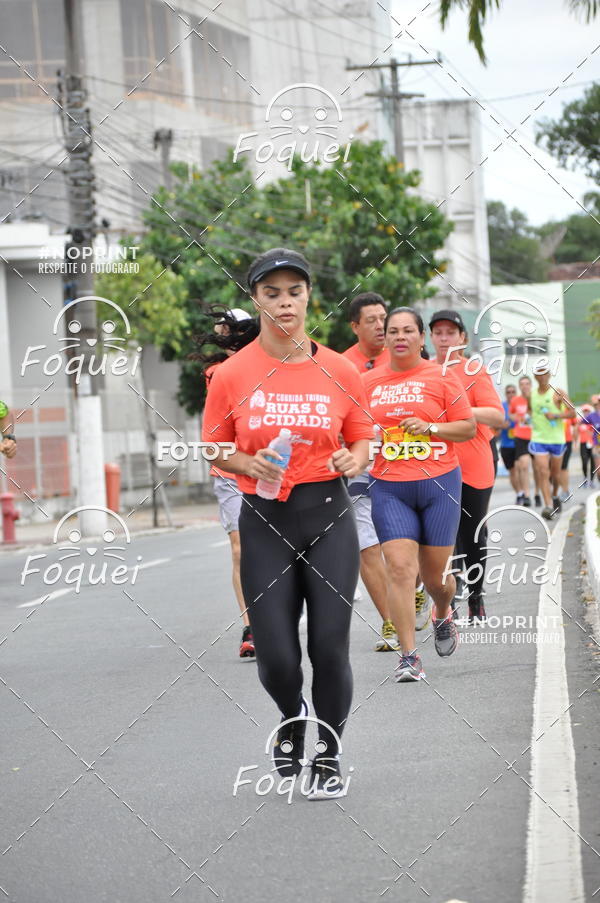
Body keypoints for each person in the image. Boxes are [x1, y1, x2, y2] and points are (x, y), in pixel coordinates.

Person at [202, 248, 373, 797]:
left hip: (328, 516)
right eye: (271, 293)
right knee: (276, 653)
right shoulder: (232, 374)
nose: (284, 302)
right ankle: (292, 713)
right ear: (256, 299)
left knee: (329, 645)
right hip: (264, 518)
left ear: (308, 297)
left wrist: (357, 457)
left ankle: (327, 752)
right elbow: (213, 444)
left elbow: (362, 433)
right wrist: (244, 461)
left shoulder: (340, 370)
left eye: (293, 292)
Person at [362, 307, 476, 682]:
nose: (399, 337)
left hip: (439, 483)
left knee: (435, 580)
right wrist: (368, 438)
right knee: (399, 568)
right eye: (392, 331)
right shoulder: (368, 382)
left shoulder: (441, 377)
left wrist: (431, 427)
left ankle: (443, 612)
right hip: (390, 485)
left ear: (421, 337)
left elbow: (468, 428)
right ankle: (408, 655)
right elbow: (353, 429)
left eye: (407, 330)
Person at [429, 311, 504, 623]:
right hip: (433, 463)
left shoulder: (473, 370)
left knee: (473, 533)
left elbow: (497, 417)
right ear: (430, 337)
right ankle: (448, 595)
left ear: (462, 338)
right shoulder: (424, 371)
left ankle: (476, 595)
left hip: (473, 463)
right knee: (439, 533)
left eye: (451, 332)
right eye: (438, 332)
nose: (444, 338)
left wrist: (463, 409)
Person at [201, 307, 258, 659]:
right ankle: (251, 625)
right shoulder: (215, 373)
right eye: (220, 330)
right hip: (228, 469)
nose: (223, 335)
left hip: (267, 466)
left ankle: (279, 611)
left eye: (230, 329)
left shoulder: (269, 364)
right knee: (240, 547)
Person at [528, 363, 574, 520]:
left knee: (555, 474)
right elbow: (530, 412)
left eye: (544, 373)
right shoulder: (531, 395)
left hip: (557, 440)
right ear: (535, 376)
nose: (542, 376)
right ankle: (547, 506)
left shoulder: (558, 393)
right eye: (538, 373)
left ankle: (554, 495)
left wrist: (556, 415)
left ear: (549, 375)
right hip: (539, 438)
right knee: (542, 471)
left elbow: (573, 413)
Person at [509, 376, 539, 506]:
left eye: (527, 384)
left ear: (531, 385)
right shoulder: (515, 400)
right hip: (521, 436)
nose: (525, 386)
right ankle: (527, 495)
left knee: (538, 468)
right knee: (524, 465)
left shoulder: (537, 397)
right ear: (519, 386)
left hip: (536, 436)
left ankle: (537, 493)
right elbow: (511, 414)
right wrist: (516, 417)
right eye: (522, 384)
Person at [499, 385, 519, 496]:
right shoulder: (502, 407)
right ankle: (519, 493)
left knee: (521, 467)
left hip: (520, 443)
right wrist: (503, 425)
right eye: (508, 392)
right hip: (506, 444)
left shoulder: (521, 405)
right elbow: (496, 424)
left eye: (513, 391)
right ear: (506, 394)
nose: (511, 394)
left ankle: (524, 494)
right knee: (512, 471)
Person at [575, 403, 596, 487]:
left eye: (588, 411)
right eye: (585, 411)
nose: (586, 413)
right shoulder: (580, 421)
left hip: (593, 444)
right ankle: (585, 478)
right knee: (584, 462)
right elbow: (576, 432)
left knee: (593, 462)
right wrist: (575, 443)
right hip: (583, 444)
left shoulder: (593, 421)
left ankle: (592, 480)